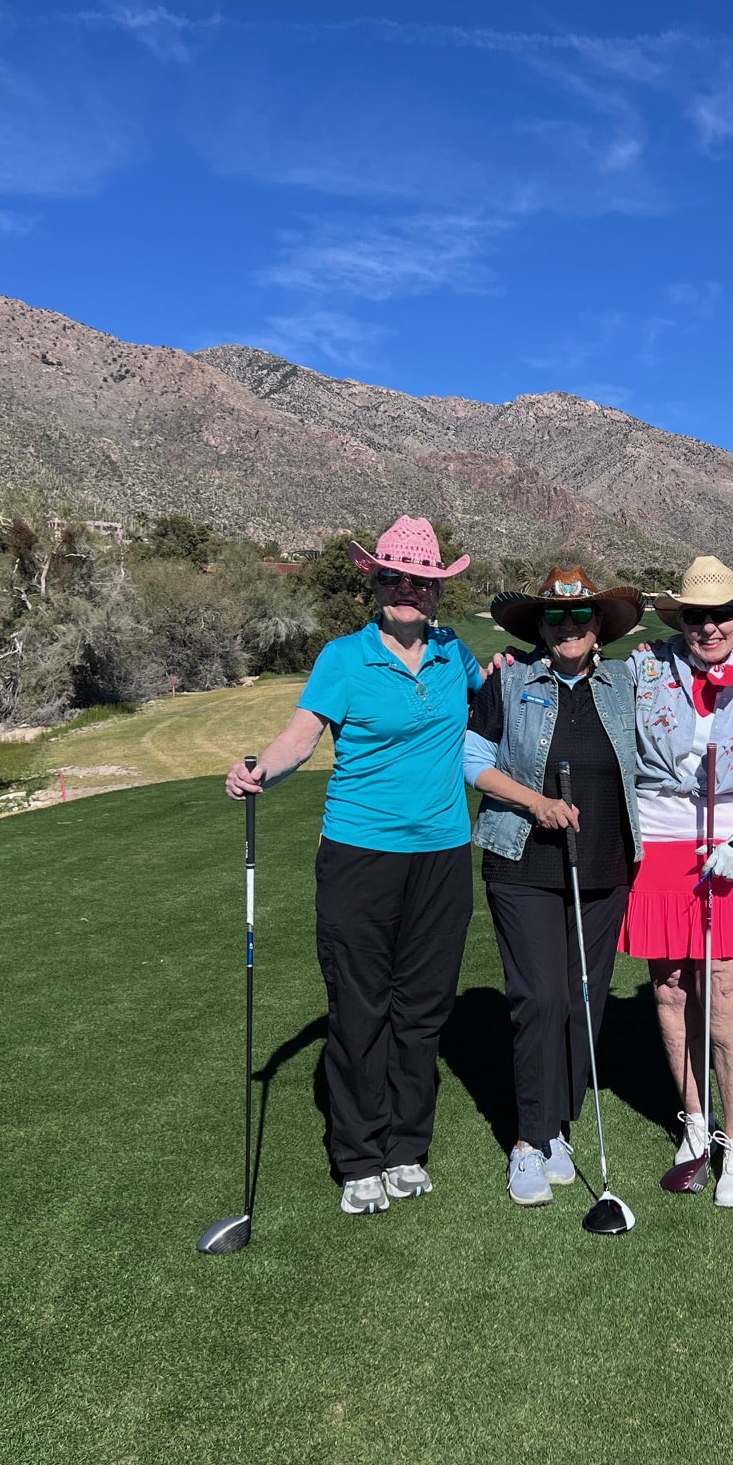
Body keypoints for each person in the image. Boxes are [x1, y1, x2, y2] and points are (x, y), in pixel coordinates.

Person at [224, 516, 480, 1217]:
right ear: (375, 580)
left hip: (442, 856)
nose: (408, 591)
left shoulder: (457, 654)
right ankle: (360, 1156)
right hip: (360, 854)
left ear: (437, 591)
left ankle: (406, 1147)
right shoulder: (343, 657)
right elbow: (300, 738)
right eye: (395, 577)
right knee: (360, 1006)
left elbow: (490, 705)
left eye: (421, 582)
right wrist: (260, 771)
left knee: (423, 1011)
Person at [463, 568, 646, 1206]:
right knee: (538, 999)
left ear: (600, 628)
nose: (569, 629)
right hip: (522, 865)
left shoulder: (628, 681)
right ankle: (528, 1141)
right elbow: (473, 761)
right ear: (540, 627)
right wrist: (535, 802)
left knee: (583, 1005)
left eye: (581, 618)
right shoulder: (508, 682)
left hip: (604, 867)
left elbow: (694, 668)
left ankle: (560, 1126)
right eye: (556, 619)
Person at [623, 555, 733, 1208]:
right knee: (669, 990)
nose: (710, 626)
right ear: (681, 620)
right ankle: (697, 1123)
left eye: (722, 613)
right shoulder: (641, 674)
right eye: (696, 616)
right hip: (661, 848)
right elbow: (581, 683)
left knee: (726, 988)